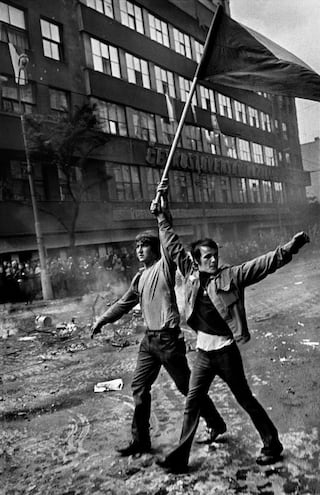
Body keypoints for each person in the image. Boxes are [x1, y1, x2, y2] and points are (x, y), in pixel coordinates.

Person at [151, 184, 310, 473]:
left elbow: (263, 264)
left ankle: (272, 444)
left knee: (244, 398)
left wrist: (290, 249)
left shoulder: (231, 275)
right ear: (197, 261)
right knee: (192, 401)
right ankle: (180, 457)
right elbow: (173, 245)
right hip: (202, 351)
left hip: (225, 351)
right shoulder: (190, 273)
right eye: (207, 257)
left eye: (215, 255)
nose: (214, 259)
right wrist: (161, 217)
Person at [91, 228, 224, 456]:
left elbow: (167, 239)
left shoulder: (164, 266)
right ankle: (141, 441)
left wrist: (161, 212)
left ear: (155, 248)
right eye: (137, 246)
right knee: (140, 388)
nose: (139, 250)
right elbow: (123, 304)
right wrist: (102, 320)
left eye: (144, 245)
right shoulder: (139, 278)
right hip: (149, 341)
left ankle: (215, 422)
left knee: (187, 388)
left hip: (168, 339)